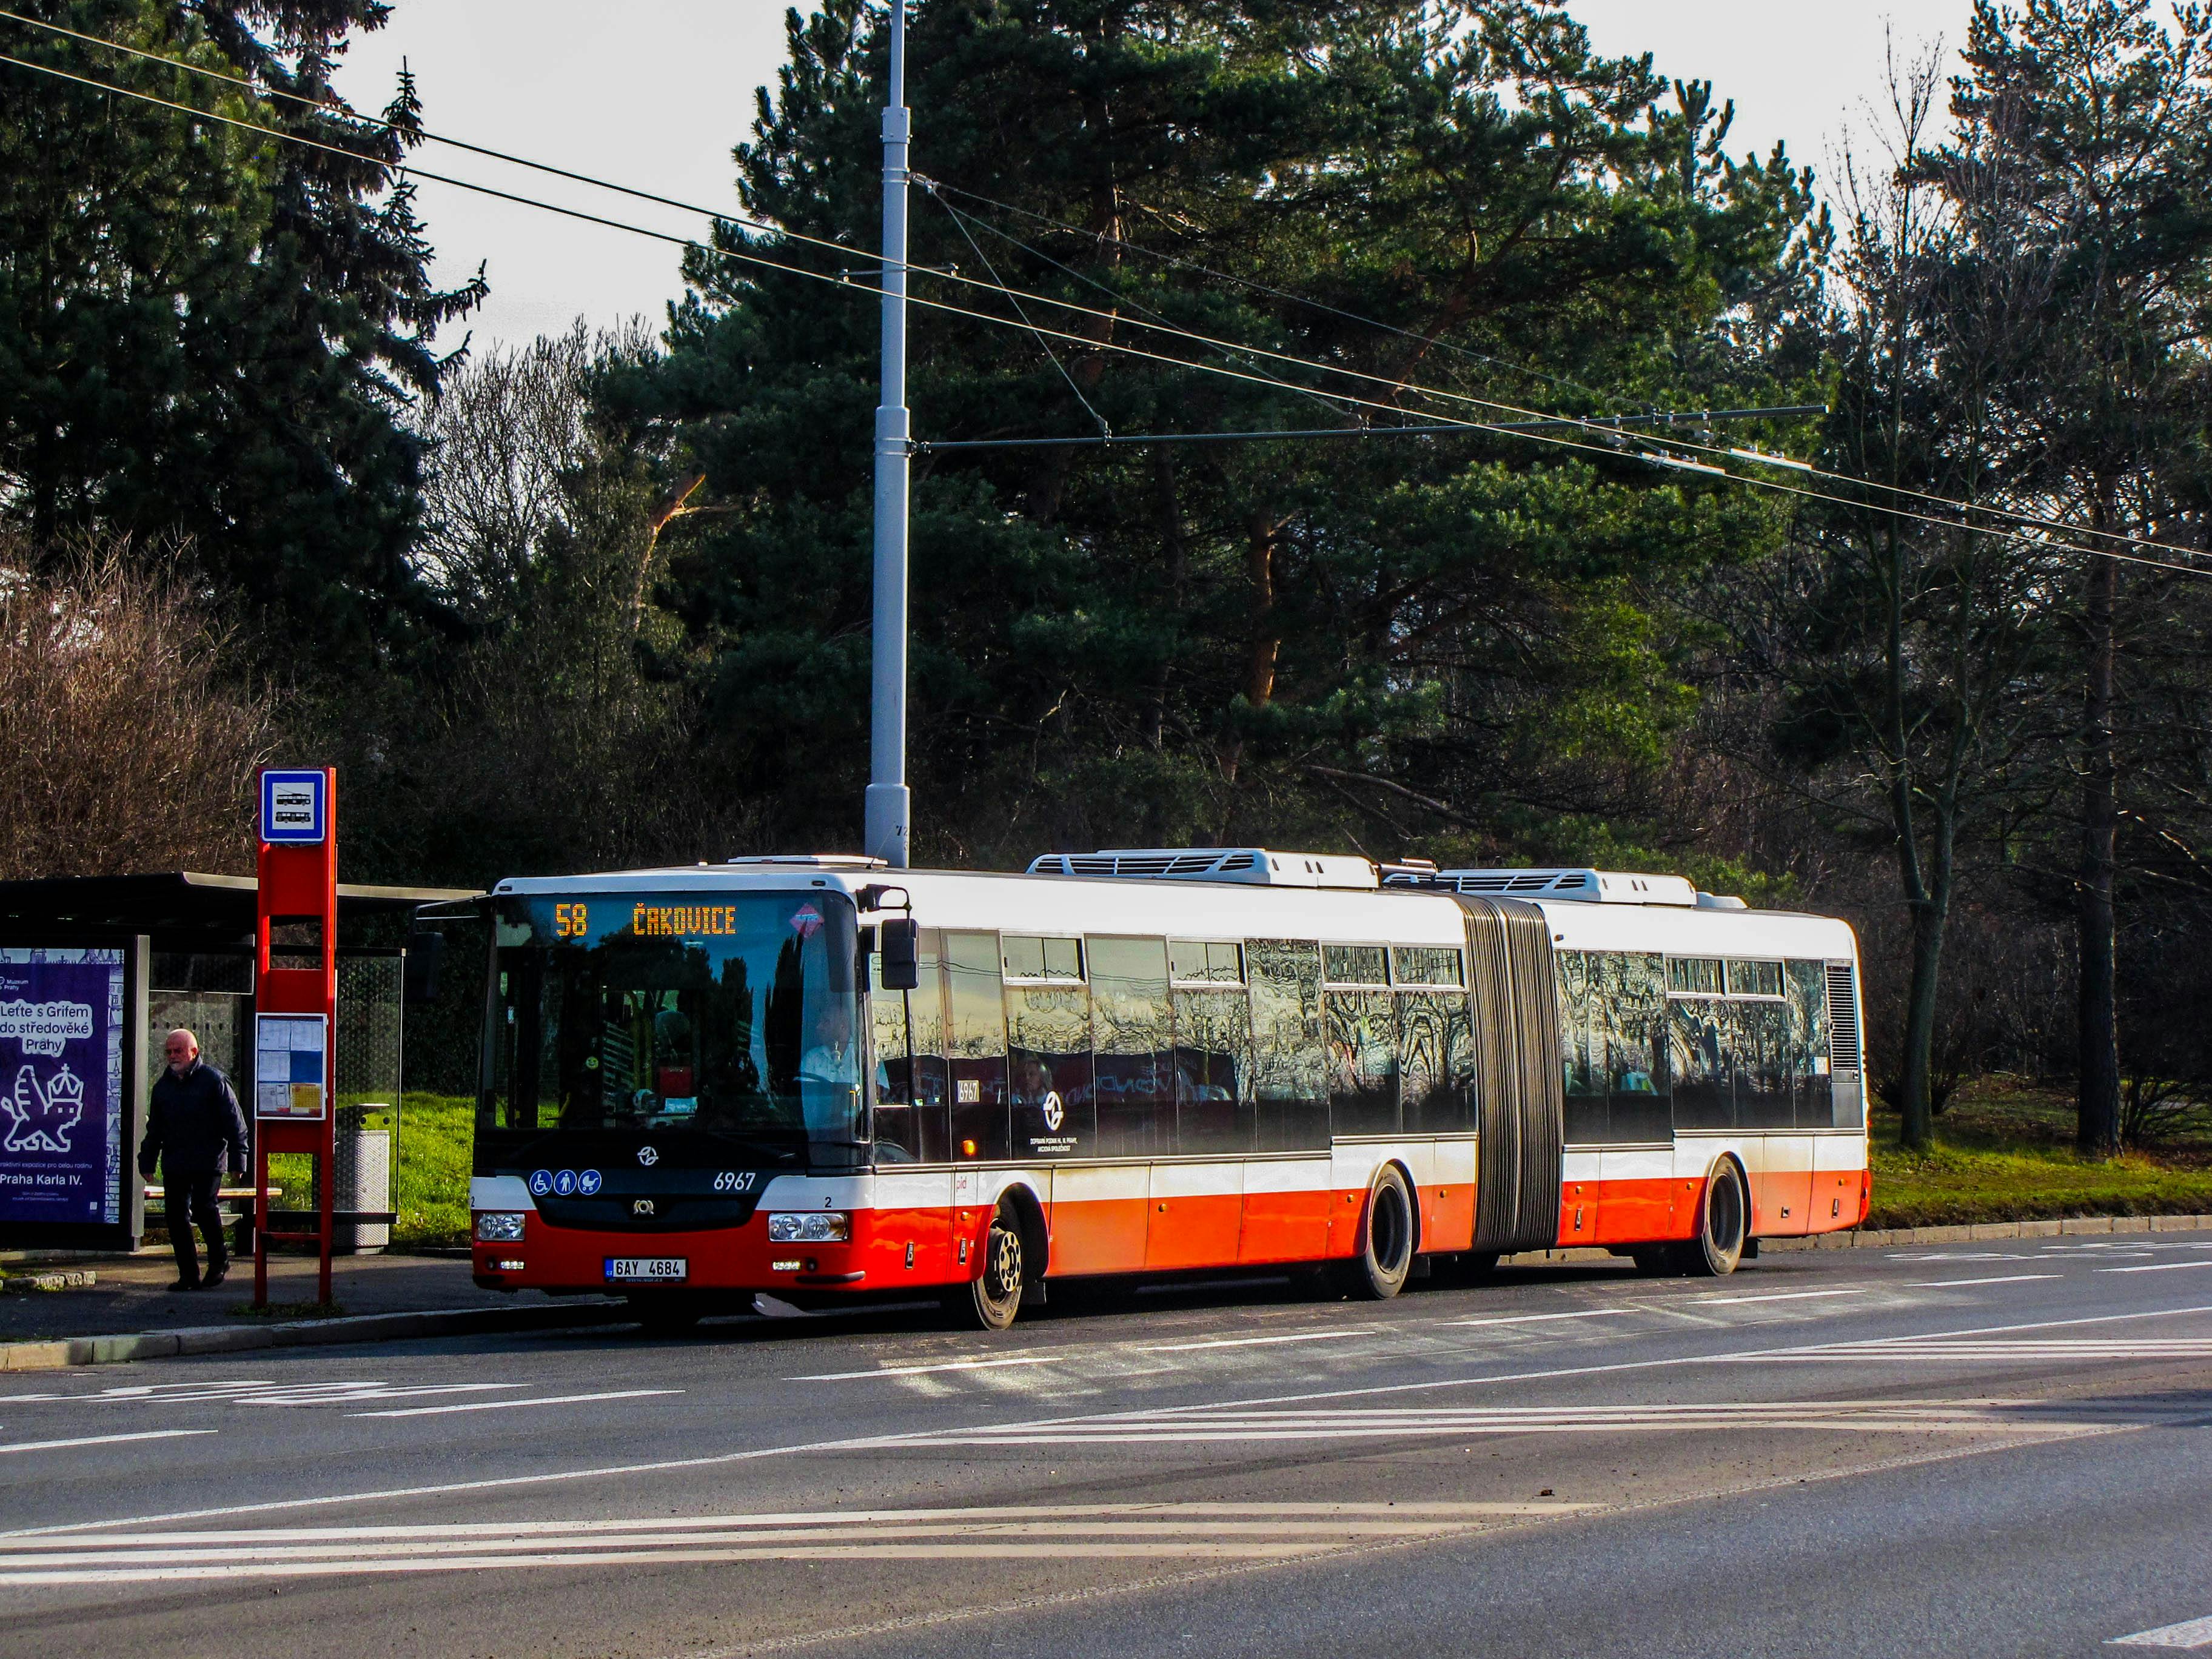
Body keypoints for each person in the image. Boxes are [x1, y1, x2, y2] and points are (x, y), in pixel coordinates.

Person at [136, 1028, 248, 1292]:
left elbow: (235, 1124)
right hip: (176, 1162)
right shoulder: (163, 1087)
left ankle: (219, 1262)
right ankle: (188, 1274)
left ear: (194, 1052)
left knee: (203, 1208)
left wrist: (238, 1161)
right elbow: (156, 1130)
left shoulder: (213, 1081)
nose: (173, 1056)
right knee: (175, 1217)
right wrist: (147, 1161)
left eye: (178, 1051)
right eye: (168, 1051)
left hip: (208, 1161)